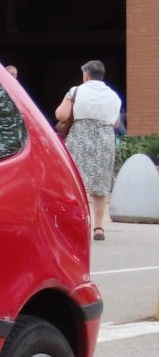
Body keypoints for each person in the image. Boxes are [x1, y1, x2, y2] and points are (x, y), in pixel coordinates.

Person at [55, 60, 123, 240]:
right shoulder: (114, 96)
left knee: (76, 182)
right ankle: (99, 228)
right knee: (100, 186)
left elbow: (61, 114)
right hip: (104, 139)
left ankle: (77, 224)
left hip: (80, 137)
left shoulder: (76, 91)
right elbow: (115, 122)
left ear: (86, 75)